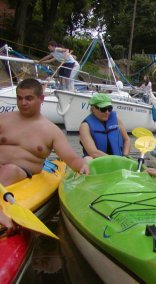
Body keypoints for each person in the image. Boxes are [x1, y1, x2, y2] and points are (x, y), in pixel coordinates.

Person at [0, 78, 89, 233]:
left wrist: (82, 165)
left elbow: (71, 158)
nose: (23, 103)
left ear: (41, 99)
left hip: (20, 171)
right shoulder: (4, 120)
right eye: (19, 98)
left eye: (28, 98)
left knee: (9, 170)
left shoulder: (51, 130)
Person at [79, 93, 130, 160]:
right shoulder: (85, 126)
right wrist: (115, 160)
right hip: (98, 161)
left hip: (119, 159)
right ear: (93, 109)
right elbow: (93, 153)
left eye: (109, 108)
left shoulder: (116, 118)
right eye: (103, 109)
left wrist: (124, 156)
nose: (107, 112)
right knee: (87, 159)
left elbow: (126, 140)